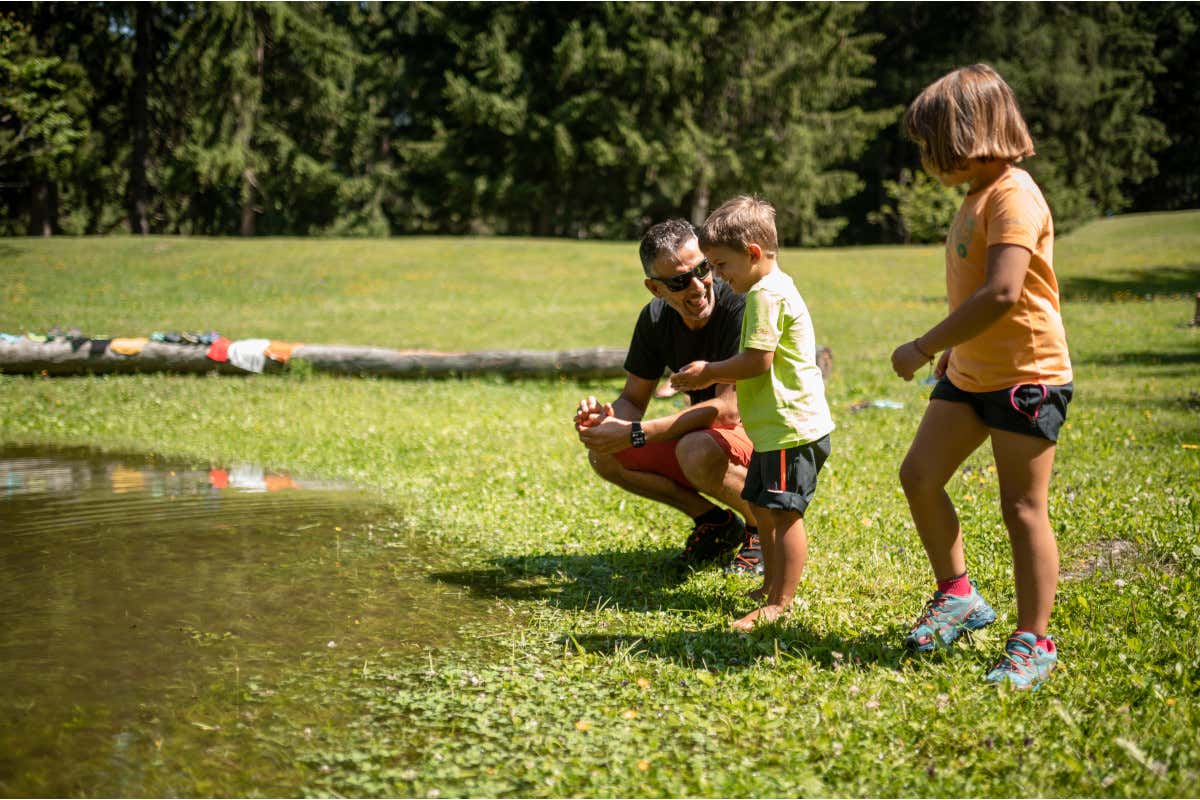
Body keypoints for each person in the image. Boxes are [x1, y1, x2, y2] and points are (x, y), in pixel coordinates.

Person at [890, 64, 1074, 690]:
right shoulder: (977, 196)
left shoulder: (1014, 196)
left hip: (1027, 376)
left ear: (962, 135)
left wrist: (922, 344)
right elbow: (977, 293)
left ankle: (1034, 639)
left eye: (928, 144)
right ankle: (959, 595)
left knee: (1022, 507)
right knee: (919, 474)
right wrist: (952, 351)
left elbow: (1001, 293)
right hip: (970, 372)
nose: (925, 158)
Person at [671, 196, 834, 631]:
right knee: (763, 510)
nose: (717, 277)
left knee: (784, 514)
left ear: (754, 254)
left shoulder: (765, 295)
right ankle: (770, 586)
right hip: (773, 432)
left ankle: (781, 601)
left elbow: (757, 361)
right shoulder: (772, 286)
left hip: (791, 431)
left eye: (722, 266)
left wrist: (708, 372)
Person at [574, 219, 761, 572]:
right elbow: (633, 399)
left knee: (697, 448)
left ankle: (761, 526)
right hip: (709, 437)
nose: (697, 286)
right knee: (605, 455)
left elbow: (727, 411)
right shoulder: (656, 319)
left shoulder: (740, 306)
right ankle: (715, 523)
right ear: (655, 289)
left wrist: (635, 432)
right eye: (678, 281)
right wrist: (608, 420)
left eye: (702, 268)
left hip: (765, 439)